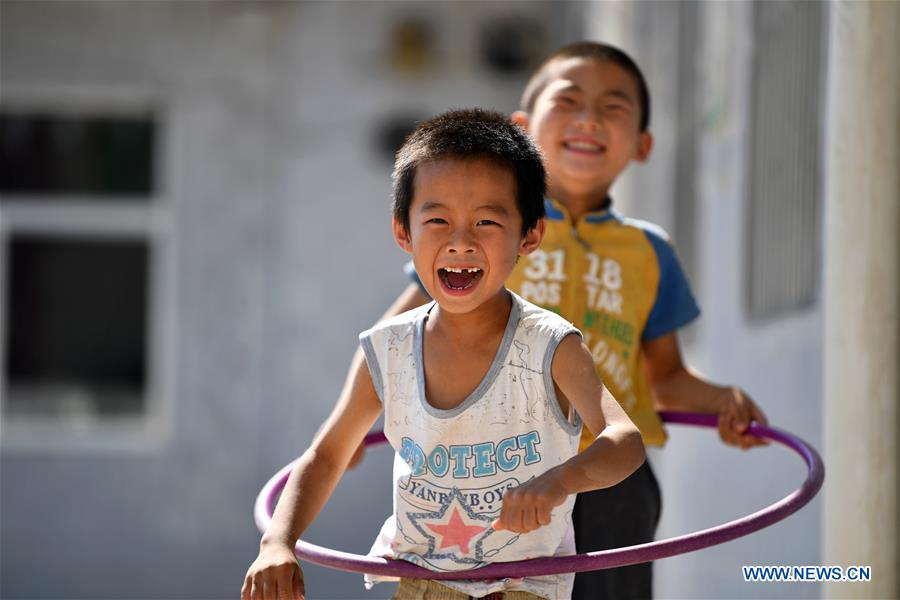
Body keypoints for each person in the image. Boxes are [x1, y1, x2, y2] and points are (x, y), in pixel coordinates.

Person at [353, 41, 770, 599]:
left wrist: (721, 400)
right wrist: (349, 427)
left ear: (643, 144)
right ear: (523, 128)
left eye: (614, 106)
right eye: (569, 100)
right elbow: (395, 345)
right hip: (501, 472)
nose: (589, 118)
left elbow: (664, 376)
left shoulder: (650, 252)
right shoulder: (485, 230)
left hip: (611, 472)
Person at [242, 108, 646, 600]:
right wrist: (278, 541)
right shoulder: (387, 352)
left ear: (530, 235)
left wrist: (560, 482)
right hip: (423, 581)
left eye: (486, 222)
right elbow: (327, 456)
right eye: (437, 220)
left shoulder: (550, 345)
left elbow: (624, 441)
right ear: (403, 233)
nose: (460, 242)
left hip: (524, 587)